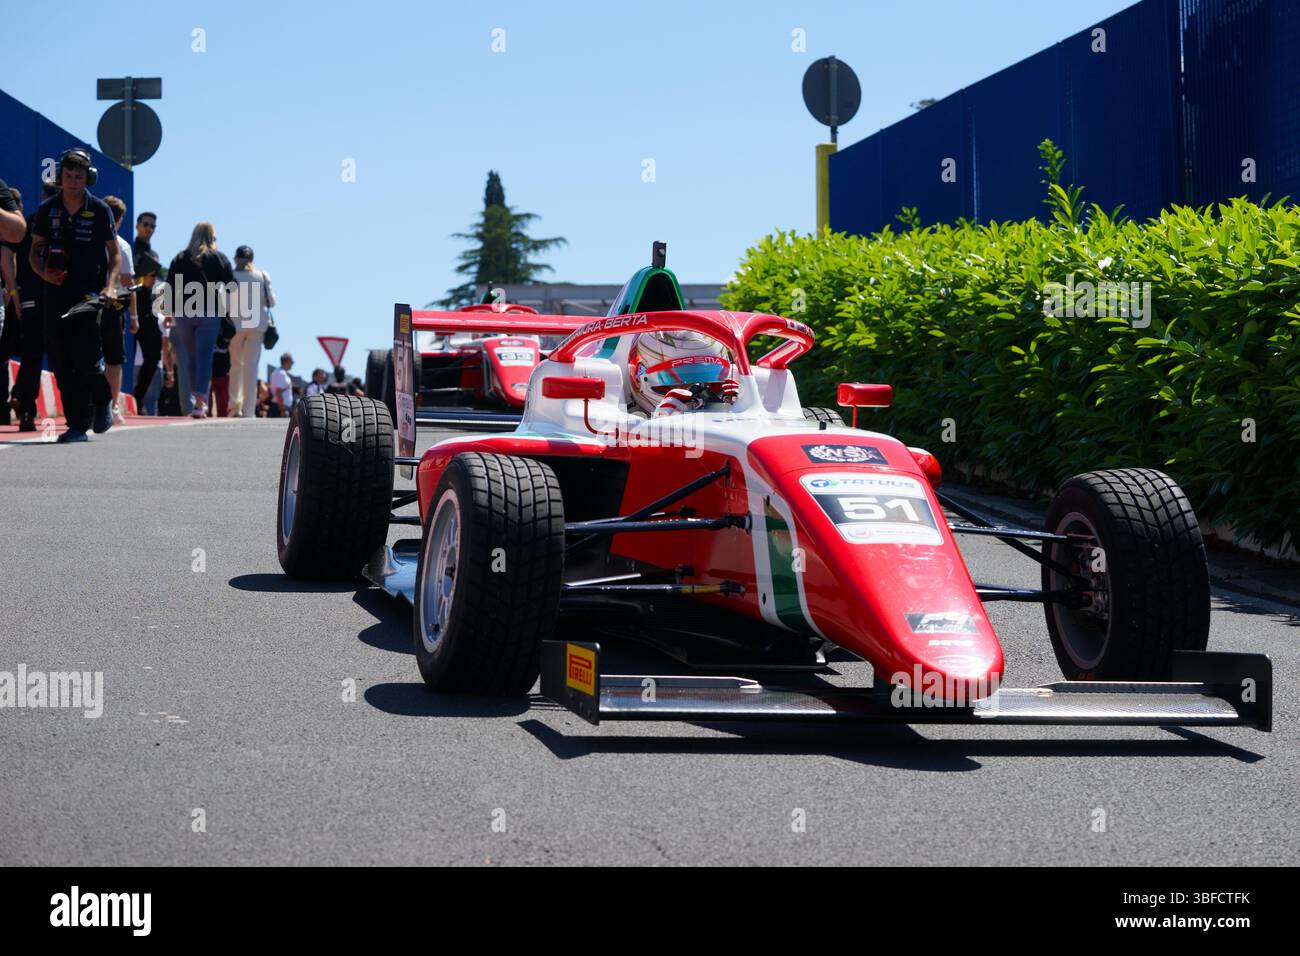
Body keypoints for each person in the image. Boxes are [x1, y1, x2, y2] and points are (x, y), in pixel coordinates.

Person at [28, 148, 121, 442]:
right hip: (54, 293)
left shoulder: (100, 210)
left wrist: (110, 285)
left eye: (78, 177)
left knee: (85, 356)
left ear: (88, 178)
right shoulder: (47, 210)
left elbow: (115, 254)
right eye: (68, 176)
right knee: (59, 358)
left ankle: (102, 399)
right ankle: (77, 425)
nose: (72, 182)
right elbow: (34, 251)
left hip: (89, 294)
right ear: (60, 177)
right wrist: (42, 273)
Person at [164, 221, 234, 418]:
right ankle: (200, 403)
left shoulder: (180, 257)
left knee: (191, 358)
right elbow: (232, 285)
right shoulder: (219, 258)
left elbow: (169, 286)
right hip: (209, 313)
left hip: (184, 314)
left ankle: (194, 399)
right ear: (212, 237)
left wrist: (168, 311)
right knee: (205, 357)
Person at [627, 330, 740, 417]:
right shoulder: (625, 425)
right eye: (679, 382)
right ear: (639, 378)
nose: (700, 393)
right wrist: (661, 427)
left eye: (709, 381)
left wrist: (743, 411)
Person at [101, 196, 137, 425]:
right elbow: (128, 284)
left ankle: (91, 405)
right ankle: (113, 407)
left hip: (87, 303)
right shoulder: (122, 246)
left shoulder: (90, 240)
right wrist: (134, 316)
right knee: (114, 359)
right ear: (120, 219)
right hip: (113, 306)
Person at [228, 245, 274, 417]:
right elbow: (272, 301)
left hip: (236, 325)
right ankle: (248, 410)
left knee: (235, 366)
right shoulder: (262, 275)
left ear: (236, 259)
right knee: (251, 367)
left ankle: (235, 407)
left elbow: (224, 301)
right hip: (256, 326)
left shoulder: (231, 276)